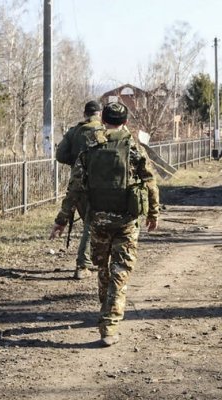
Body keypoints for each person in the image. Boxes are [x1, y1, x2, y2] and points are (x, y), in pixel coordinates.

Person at [50, 102, 160, 347]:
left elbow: (75, 187)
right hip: (127, 220)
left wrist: (61, 220)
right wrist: (153, 212)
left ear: (104, 120)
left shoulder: (90, 147)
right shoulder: (133, 147)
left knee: (103, 268)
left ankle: (105, 309)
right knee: (120, 272)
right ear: (125, 122)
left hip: (98, 218)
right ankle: (109, 323)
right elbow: (150, 181)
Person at [55, 100, 103, 279]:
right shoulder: (103, 131)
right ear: (99, 113)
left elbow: (60, 155)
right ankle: (83, 264)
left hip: (77, 186)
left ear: (85, 114)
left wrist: (76, 162)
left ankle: (92, 260)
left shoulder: (74, 132)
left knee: (89, 223)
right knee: (92, 225)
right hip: (99, 185)